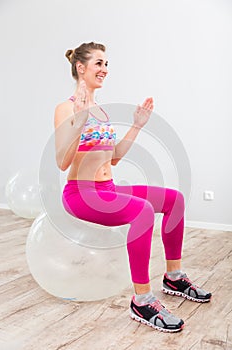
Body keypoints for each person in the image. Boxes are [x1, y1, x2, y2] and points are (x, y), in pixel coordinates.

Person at [54, 42, 212, 333]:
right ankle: (142, 300)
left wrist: (137, 125)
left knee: (174, 200)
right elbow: (62, 162)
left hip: (108, 189)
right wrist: (77, 123)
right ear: (81, 67)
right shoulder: (66, 108)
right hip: (80, 193)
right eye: (99, 63)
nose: (105, 70)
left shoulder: (100, 111)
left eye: (106, 64)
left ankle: (174, 277)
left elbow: (112, 159)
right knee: (142, 211)